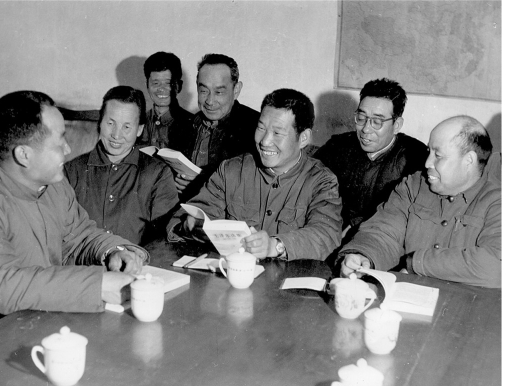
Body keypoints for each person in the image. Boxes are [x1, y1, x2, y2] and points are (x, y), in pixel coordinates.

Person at [0, 90, 148, 334]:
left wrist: (114, 250)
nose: (68, 149)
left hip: (45, 319)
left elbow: (80, 234)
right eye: (59, 142)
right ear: (24, 155)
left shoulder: (51, 182)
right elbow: (0, 285)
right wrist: (97, 286)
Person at [167, 88, 342, 261]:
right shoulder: (232, 170)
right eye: (261, 128)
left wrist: (275, 246)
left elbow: (326, 235)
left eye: (277, 133)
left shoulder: (322, 181)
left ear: (303, 138)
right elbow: (183, 219)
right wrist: (192, 226)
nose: (265, 141)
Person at [338, 115, 501, 288]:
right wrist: (363, 255)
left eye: (438, 155)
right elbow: (384, 231)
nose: (427, 163)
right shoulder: (413, 185)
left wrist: (416, 263)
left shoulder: (498, 201)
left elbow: (497, 266)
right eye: (429, 152)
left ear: (469, 160)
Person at [314, 78, 428, 238]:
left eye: (377, 121)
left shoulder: (415, 157)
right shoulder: (338, 146)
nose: (366, 129)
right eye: (361, 118)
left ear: (396, 125)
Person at [65, 86, 179, 245]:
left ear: (139, 130)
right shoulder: (71, 171)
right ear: (100, 122)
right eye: (110, 123)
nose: (116, 135)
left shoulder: (157, 174)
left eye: (126, 127)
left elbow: (164, 239)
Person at [175, 53, 260, 199]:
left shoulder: (256, 128)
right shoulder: (185, 124)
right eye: (203, 91)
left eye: (219, 92)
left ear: (236, 90)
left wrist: (202, 182)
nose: (210, 101)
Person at [137, 51, 194, 156]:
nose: (161, 89)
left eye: (168, 83)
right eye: (156, 83)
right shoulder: (138, 122)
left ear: (179, 86)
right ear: (147, 85)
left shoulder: (193, 124)